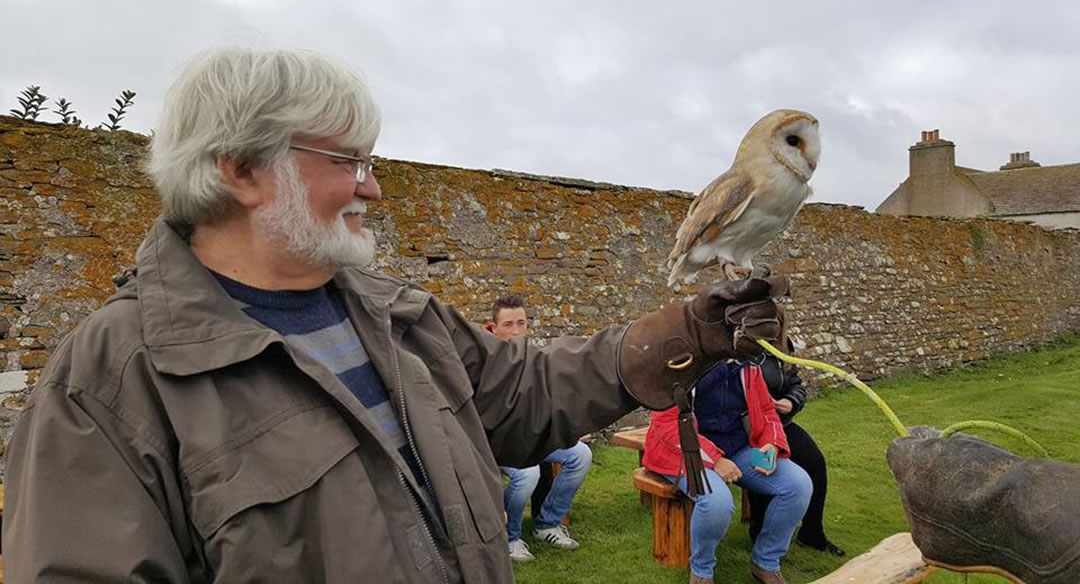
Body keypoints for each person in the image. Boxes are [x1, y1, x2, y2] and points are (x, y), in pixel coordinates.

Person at [1, 46, 785, 583]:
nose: (373, 188)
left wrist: (692, 332)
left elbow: (527, 394)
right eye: (349, 162)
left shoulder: (395, 314)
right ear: (241, 170)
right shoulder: (111, 381)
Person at [643, 362, 812, 584]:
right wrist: (715, 459)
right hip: (684, 455)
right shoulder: (679, 365)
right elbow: (667, 425)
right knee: (717, 503)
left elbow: (766, 411)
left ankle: (766, 562)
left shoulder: (748, 365)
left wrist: (771, 443)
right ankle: (702, 572)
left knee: (798, 484)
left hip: (737, 451)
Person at [484, 294, 593, 562]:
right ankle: (509, 537)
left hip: (530, 437)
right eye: (508, 324)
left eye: (521, 323)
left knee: (580, 454)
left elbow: (548, 401)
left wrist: (568, 428)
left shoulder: (532, 358)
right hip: (494, 444)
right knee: (528, 472)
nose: (517, 331)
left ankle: (547, 524)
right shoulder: (483, 362)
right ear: (492, 328)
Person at [746, 349, 844, 557]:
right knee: (764, 467)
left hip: (781, 424)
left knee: (814, 461)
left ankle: (811, 532)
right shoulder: (739, 346)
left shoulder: (781, 346)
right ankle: (760, 534)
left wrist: (791, 401)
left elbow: (795, 384)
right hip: (748, 429)